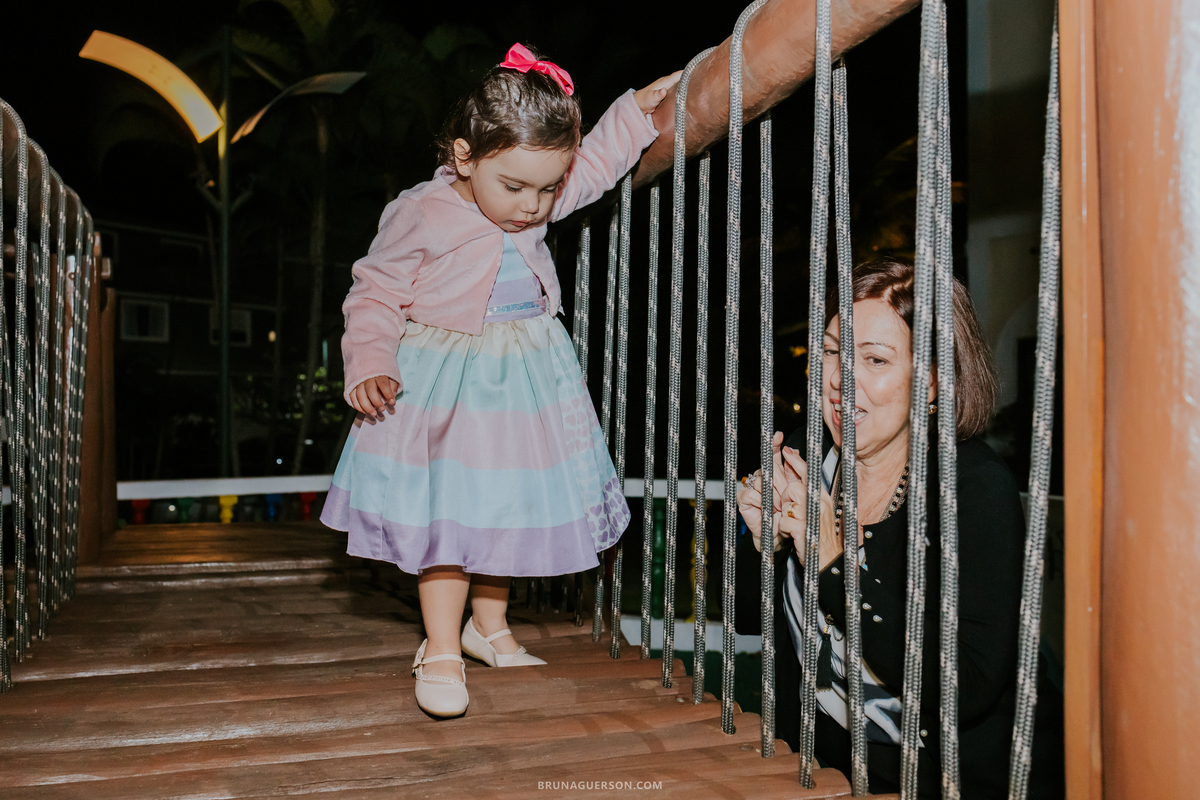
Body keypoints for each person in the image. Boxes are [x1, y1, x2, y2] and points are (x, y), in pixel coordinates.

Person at [321, 42, 680, 718]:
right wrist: (370, 360)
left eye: (546, 189)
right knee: (452, 518)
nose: (532, 206)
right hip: (448, 384)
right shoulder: (421, 211)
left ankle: (488, 627)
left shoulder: (537, 192)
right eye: (514, 187)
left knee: (504, 506)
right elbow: (375, 290)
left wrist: (635, 110)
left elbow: (597, 165)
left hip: (524, 380)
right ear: (464, 157)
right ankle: (440, 647)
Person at [735, 260, 1063, 797]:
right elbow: (745, 617)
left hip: (965, 780)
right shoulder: (804, 455)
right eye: (833, 352)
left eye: (875, 359)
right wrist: (762, 543)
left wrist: (832, 565)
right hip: (834, 773)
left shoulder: (972, 488)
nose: (841, 380)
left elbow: (966, 687)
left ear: (930, 381)